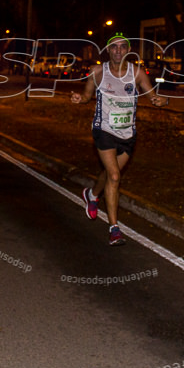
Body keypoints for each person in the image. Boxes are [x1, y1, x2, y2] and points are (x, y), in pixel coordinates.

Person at [71, 33, 167, 245]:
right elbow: (87, 96)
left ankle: (92, 195)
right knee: (114, 176)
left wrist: (160, 101)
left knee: (109, 173)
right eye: (114, 47)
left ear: (128, 50)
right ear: (108, 50)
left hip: (127, 134)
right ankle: (114, 228)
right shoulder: (97, 72)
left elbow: (152, 95)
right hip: (103, 129)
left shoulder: (137, 73)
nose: (118, 51)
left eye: (122, 47)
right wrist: (81, 99)